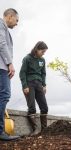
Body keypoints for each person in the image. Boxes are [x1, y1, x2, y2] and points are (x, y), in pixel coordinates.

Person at [19, 41, 48, 135]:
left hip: (39, 84)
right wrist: (25, 86)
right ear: (37, 49)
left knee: (44, 107)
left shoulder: (42, 60)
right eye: (42, 51)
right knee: (32, 108)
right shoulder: (27, 58)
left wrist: (44, 85)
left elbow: (43, 73)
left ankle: (44, 131)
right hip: (29, 84)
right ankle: (35, 130)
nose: (43, 53)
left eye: (44, 52)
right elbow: (22, 73)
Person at [0, 8, 20, 140]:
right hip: (1, 67)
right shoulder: (1, 25)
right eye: (16, 20)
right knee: (4, 95)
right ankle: (0, 131)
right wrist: (9, 63)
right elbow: (1, 44)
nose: (17, 23)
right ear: (10, 16)